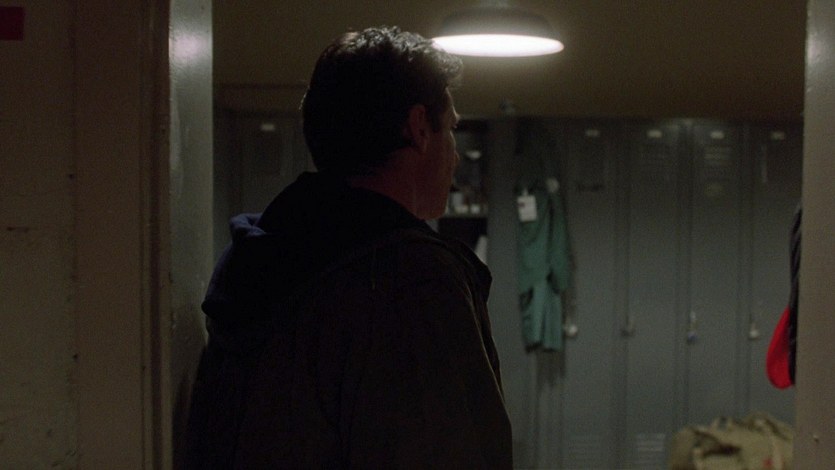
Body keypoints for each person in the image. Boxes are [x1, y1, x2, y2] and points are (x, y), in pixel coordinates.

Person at [185, 26, 513, 468]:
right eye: (451, 128)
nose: (454, 155)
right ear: (419, 128)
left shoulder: (259, 260)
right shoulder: (412, 280)